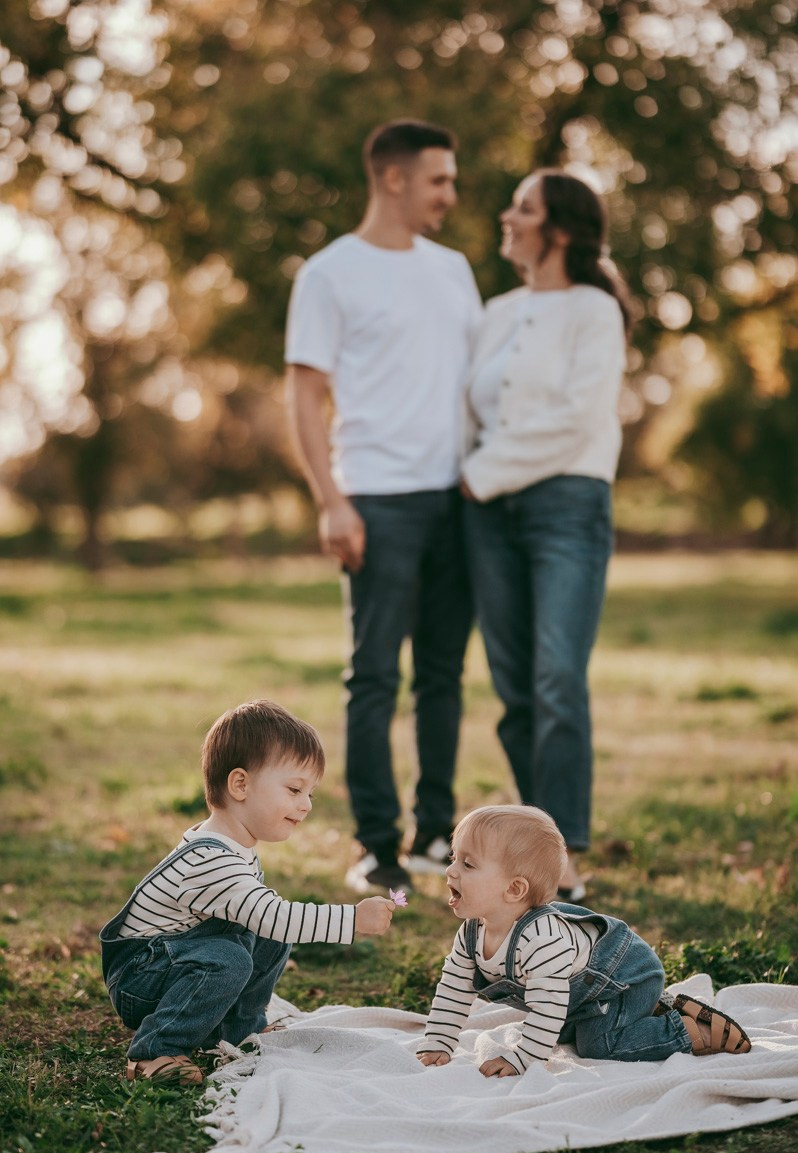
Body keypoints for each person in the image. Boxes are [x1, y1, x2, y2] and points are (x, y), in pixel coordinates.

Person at [285, 119, 483, 895]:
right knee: (373, 677)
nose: (451, 195)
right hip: (375, 496)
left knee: (443, 674)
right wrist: (331, 499)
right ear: (394, 179)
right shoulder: (330, 274)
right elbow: (303, 394)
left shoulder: (455, 270)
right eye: (440, 180)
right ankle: (378, 848)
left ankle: (437, 834)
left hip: (456, 500)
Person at [459, 169, 633, 902]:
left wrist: (482, 471)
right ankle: (543, 849)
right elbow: (471, 407)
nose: (508, 216)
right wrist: (471, 478)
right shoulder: (496, 311)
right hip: (488, 515)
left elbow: (577, 416)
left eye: (522, 208)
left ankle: (561, 864)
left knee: (558, 678)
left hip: (565, 502)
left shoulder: (596, 310)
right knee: (516, 688)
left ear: (557, 230)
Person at [99, 699, 396, 1085]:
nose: (305, 805)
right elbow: (278, 916)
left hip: (173, 960)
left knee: (265, 937)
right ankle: (154, 1051)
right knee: (231, 956)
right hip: (141, 977)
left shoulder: (236, 844)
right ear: (240, 784)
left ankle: (235, 1031)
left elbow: (265, 922)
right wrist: (352, 919)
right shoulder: (210, 858)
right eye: (294, 789)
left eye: (310, 794)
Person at [417, 806, 752, 1076]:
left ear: (514, 889)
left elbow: (547, 1008)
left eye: (468, 863)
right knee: (562, 1035)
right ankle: (647, 1012)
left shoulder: (541, 939)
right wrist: (438, 1042)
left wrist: (521, 1061)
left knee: (599, 1045)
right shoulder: (472, 933)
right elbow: (453, 988)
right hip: (580, 995)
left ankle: (690, 1029)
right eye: (453, 858)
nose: (450, 871)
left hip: (626, 978)